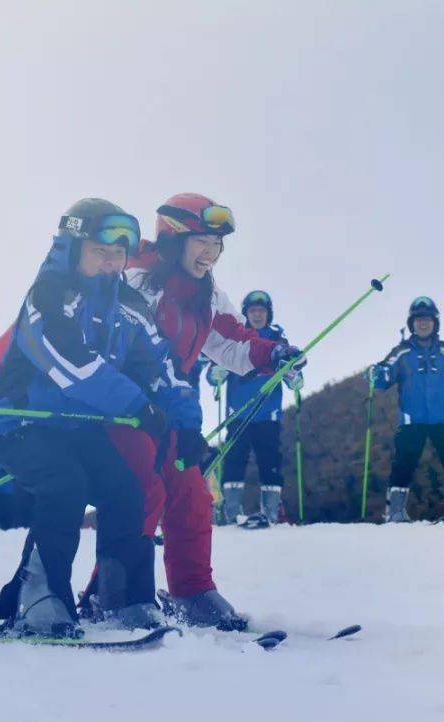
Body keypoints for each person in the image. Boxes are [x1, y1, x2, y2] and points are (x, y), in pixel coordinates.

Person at [112, 193, 304, 629]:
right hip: (128, 411)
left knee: (192, 495)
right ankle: (116, 593)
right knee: (143, 491)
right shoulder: (136, 281)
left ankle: (193, 592)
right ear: (173, 238)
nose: (210, 254)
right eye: (202, 242)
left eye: (217, 245)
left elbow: (233, 343)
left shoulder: (206, 293)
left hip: (177, 412)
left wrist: (273, 354)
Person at [0, 198, 168, 638]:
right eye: (100, 251)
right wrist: (135, 406)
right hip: (21, 422)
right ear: (73, 248)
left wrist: (179, 421)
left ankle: (119, 598)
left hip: (76, 427)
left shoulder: (128, 305)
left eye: (119, 254)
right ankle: (40, 599)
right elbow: (67, 361)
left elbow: (159, 369)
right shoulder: (50, 292)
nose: (111, 263)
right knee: (65, 483)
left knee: (126, 490)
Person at [365, 297, 444, 524]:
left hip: (443, 419)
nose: (423, 324)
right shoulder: (402, 352)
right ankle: (395, 512)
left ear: (435, 323)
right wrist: (375, 374)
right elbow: (386, 374)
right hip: (411, 420)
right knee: (403, 463)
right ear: (411, 324)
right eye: (418, 320)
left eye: (427, 320)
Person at [206, 290, 303, 527]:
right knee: (234, 458)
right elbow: (215, 368)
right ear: (246, 314)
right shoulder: (237, 338)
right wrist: (215, 373)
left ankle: (270, 510)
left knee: (269, 458)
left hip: (267, 412)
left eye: (261, 311)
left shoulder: (278, 341)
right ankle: (231, 510)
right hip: (238, 411)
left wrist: (294, 376)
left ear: (268, 314)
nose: (257, 315)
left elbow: (292, 372)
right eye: (252, 311)